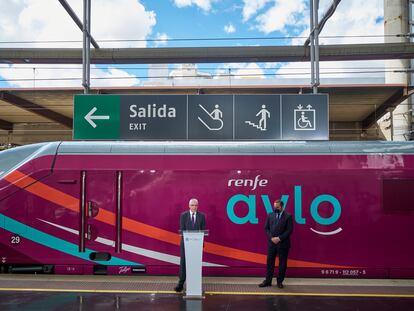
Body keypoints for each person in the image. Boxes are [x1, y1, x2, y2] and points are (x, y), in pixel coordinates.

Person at [259, 199, 293, 289]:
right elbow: (266, 228)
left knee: (282, 263)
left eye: (277, 207)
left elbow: (289, 230)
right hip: (271, 244)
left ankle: (279, 282)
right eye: (274, 207)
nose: (275, 209)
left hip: (283, 244)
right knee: (270, 262)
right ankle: (268, 281)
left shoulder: (288, 216)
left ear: (282, 207)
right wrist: (271, 238)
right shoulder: (270, 215)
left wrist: (279, 238)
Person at [174, 198, 206, 292]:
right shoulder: (183, 216)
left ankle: (196, 285)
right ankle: (181, 284)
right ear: (189, 206)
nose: (194, 207)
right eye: (192, 205)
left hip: (197, 244)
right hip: (186, 243)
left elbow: (203, 231)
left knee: (196, 264)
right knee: (183, 263)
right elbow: (182, 230)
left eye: (196, 205)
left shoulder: (202, 216)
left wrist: (201, 242)